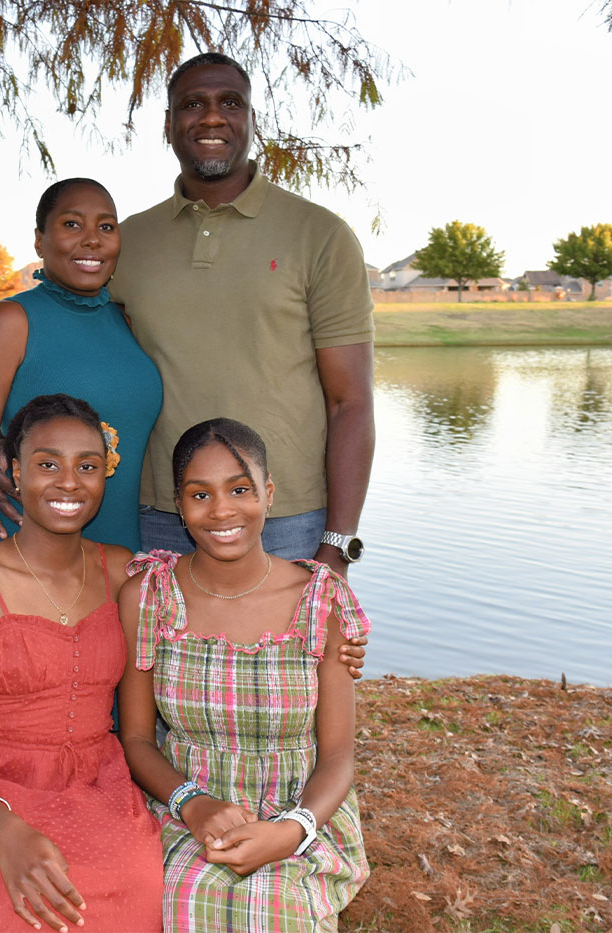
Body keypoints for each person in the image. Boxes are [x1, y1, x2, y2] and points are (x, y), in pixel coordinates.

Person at [109, 52, 376, 578]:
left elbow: (351, 401)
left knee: (294, 663)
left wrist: (338, 545)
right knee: (155, 664)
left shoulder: (319, 235)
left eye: (230, 103)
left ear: (252, 120)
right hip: (157, 516)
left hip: (287, 519)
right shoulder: (129, 241)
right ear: (169, 124)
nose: (212, 117)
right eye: (193, 104)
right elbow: (86, 362)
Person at [0, 394, 164, 932]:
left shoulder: (125, 573)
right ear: (15, 473)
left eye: (86, 466)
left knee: (135, 902)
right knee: (14, 917)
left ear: (104, 478)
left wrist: (326, 629)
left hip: (99, 785)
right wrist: (6, 831)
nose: (68, 482)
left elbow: (218, 597)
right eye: (48, 464)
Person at [118, 418, 370, 932]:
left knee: (272, 913)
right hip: (184, 803)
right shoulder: (149, 597)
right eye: (200, 494)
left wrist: (292, 830)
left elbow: (339, 755)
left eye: (240, 489)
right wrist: (192, 804)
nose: (222, 510)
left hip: (303, 809)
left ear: (269, 493)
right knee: (179, 904)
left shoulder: (320, 600)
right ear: (179, 505)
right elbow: (139, 739)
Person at [0, 178, 162, 561]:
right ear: (40, 240)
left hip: (117, 564)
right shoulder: (9, 321)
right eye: (72, 224)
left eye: (106, 227)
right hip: (21, 563)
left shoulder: (125, 321)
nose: (91, 239)